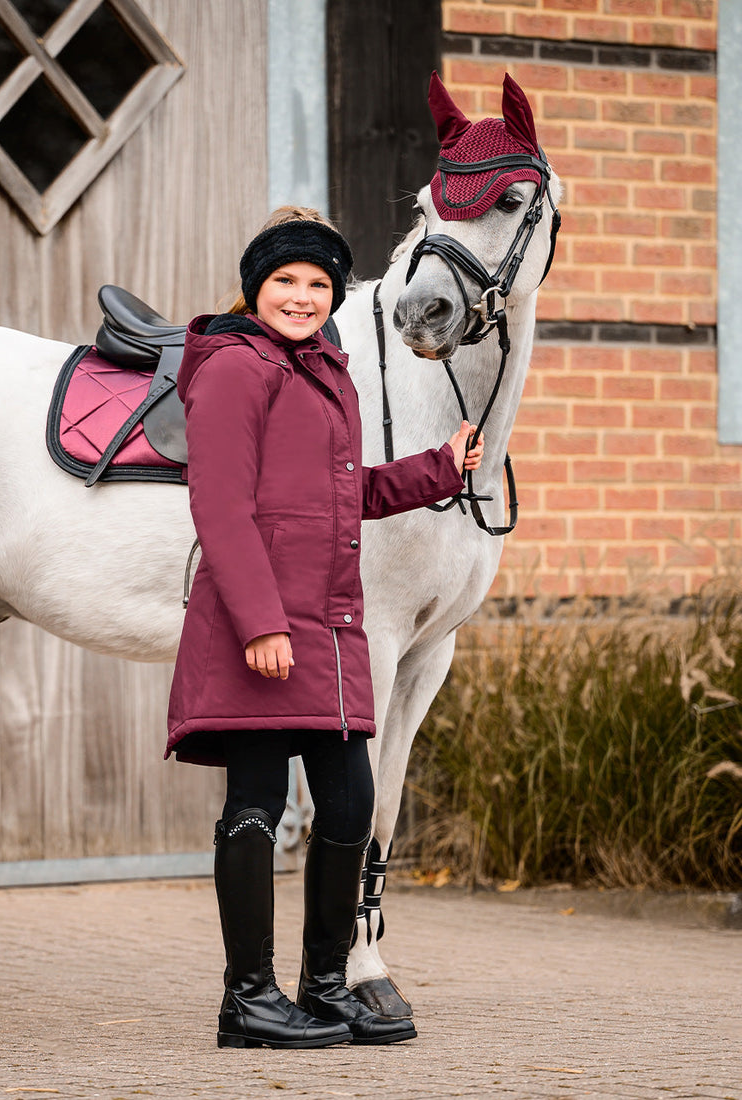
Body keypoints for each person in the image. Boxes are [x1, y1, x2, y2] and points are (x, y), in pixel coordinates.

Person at [165, 208, 483, 1049]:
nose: (302, 297)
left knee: (349, 803)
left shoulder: (325, 370)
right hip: (261, 628)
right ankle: (248, 1000)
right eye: (286, 282)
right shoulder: (236, 367)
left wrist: (436, 471)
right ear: (256, 288)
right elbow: (221, 509)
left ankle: (328, 982)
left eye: (317, 285)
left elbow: (351, 496)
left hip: (332, 628)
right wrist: (260, 625)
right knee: (257, 806)